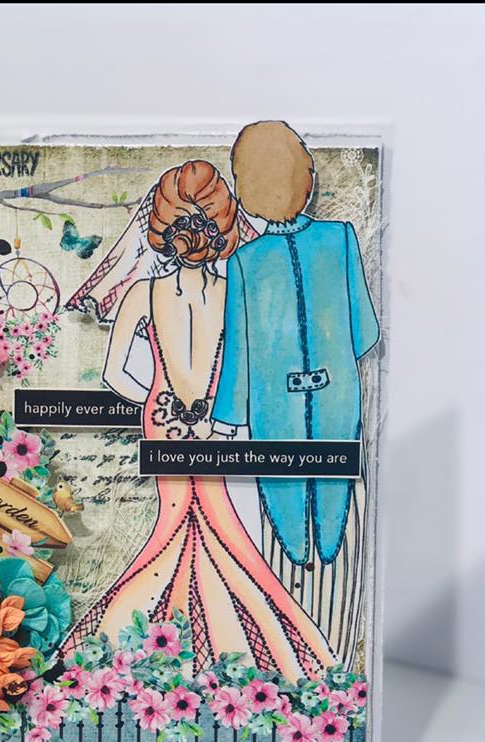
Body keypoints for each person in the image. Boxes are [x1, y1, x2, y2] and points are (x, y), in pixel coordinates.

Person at [61, 160, 335, 683]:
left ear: (163, 230)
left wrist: (160, 402)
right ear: (223, 228)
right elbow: (252, 371)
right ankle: (262, 653)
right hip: (214, 426)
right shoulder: (234, 292)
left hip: (163, 422)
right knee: (220, 534)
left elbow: (116, 373)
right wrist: (214, 413)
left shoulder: (144, 292)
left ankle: (131, 648)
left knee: (178, 534)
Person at [212, 122, 381, 665]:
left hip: (273, 410)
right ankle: (338, 644)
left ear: (243, 187)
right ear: (306, 175)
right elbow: (366, 334)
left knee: (286, 524)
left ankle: (299, 647)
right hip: (338, 401)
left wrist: (226, 418)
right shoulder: (341, 240)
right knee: (338, 519)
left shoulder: (244, 262)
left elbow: (237, 350)